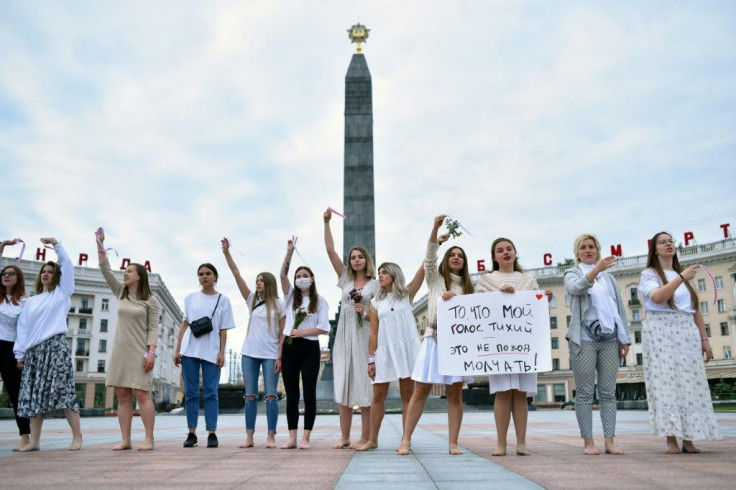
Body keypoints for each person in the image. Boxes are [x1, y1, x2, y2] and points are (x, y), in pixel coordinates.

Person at [398, 215, 474, 456]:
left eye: (460, 256)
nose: (456, 258)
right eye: (452, 254)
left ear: (464, 263)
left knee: (455, 394)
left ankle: (453, 443)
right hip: (433, 338)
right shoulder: (435, 280)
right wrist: (435, 230)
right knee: (420, 390)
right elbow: (429, 258)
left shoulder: (470, 288)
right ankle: (406, 439)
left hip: (458, 343)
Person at [638, 231, 721, 454]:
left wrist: (704, 339)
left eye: (671, 241)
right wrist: (681, 278)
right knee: (667, 382)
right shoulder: (650, 274)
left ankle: (690, 437)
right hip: (661, 331)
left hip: (686, 331)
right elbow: (657, 297)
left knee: (689, 383)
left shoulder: (681, 275)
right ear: (654, 249)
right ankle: (671, 438)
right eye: (662, 242)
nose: (668, 245)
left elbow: (694, 309)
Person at [474, 237, 549, 456]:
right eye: (500, 250)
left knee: (521, 393)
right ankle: (501, 443)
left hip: (524, 345)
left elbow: (536, 307)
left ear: (515, 253)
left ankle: (522, 442)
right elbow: (477, 308)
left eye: (509, 249)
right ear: (494, 256)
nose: (505, 253)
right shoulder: (487, 280)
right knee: (502, 392)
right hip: (498, 345)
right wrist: (498, 295)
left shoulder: (528, 279)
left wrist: (543, 299)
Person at [564, 234, 630, 455]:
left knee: (608, 392)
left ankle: (610, 440)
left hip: (610, 339)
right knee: (584, 392)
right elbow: (576, 288)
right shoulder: (572, 272)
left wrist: (625, 338)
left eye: (592, 247)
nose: (588, 250)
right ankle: (588, 441)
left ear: (598, 250)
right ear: (577, 253)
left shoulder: (609, 279)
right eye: (583, 247)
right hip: (583, 339)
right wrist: (595, 271)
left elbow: (619, 307)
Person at [14, 238, 82, 452]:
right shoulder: (31, 302)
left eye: (51, 271)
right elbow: (23, 329)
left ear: (57, 276)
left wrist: (56, 245)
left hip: (55, 347)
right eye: (44, 271)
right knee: (34, 396)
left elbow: (68, 266)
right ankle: (34, 442)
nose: (46, 274)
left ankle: (77, 437)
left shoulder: (61, 293)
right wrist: (19, 354)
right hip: (34, 352)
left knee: (64, 392)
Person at [97, 231, 160, 451]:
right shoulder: (121, 293)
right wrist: (100, 244)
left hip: (140, 352)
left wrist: (151, 353)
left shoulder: (151, 300)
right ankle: (125, 439)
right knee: (122, 396)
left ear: (140, 276)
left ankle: (149, 438)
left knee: (142, 394)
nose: (125, 274)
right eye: (124, 271)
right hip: (119, 352)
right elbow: (106, 271)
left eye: (130, 271)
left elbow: (153, 329)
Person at [222, 238, 285, 449]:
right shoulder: (252, 301)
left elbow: (283, 333)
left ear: (269, 283)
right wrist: (227, 253)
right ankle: (249, 437)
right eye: (256, 280)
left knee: (271, 395)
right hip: (249, 353)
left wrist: (279, 356)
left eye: (261, 280)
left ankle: (271, 436)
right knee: (249, 396)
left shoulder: (280, 303)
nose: (257, 283)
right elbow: (237, 275)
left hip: (270, 354)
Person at [323, 209, 378, 449]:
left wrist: (364, 312)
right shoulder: (345, 279)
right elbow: (330, 251)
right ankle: (344, 436)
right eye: (353, 257)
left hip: (364, 334)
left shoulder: (375, 284)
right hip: (344, 336)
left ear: (367, 260)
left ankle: (366, 436)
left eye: (360, 257)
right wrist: (326, 223)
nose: (356, 260)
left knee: (365, 386)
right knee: (343, 382)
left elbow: (379, 315)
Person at [357, 261, 424, 451]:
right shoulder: (375, 303)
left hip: (407, 350)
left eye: (384, 272)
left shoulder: (407, 294)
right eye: (379, 272)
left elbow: (424, 267)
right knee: (377, 396)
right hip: (384, 351)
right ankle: (372, 440)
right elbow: (373, 333)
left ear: (394, 274)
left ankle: (406, 439)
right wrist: (371, 359)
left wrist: (435, 238)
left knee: (407, 395)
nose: (380, 275)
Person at [174, 263, 235, 449]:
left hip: (211, 351)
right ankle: (191, 433)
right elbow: (185, 325)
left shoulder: (223, 300)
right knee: (191, 393)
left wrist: (222, 352)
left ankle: (212, 433)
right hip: (189, 350)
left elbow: (223, 329)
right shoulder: (190, 298)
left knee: (211, 393)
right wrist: (178, 349)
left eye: (208, 273)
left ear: (215, 277)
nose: (204, 277)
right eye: (200, 274)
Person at [279, 237, 330, 449]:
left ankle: (306, 438)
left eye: (305, 276)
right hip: (289, 347)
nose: (301, 279)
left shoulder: (320, 301)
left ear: (312, 278)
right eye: (298, 276)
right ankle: (291, 437)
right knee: (292, 394)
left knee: (309, 393)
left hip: (309, 347)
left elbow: (323, 328)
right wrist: (289, 252)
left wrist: (302, 332)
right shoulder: (291, 297)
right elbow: (282, 275)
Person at [0, 239, 31, 450]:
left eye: (11, 273)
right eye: (4, 273)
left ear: (18, 278)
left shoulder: (24, 303)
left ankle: (25, 437)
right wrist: (2, 245)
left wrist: (21, 356)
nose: (7, 275)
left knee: (15, 392)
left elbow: (24, 332)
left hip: (9, 349)